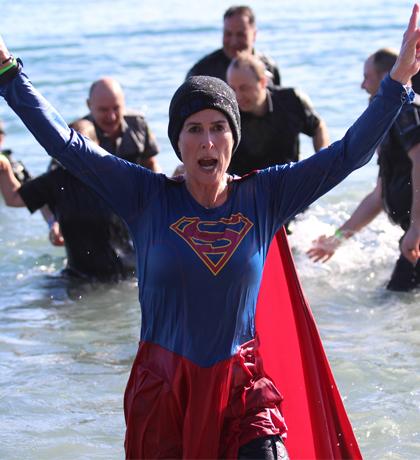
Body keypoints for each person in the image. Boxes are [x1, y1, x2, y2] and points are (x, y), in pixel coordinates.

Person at [0, 5, 419, 457]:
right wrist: (8, 73)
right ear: (177, 141)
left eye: (219, 128)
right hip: (163, 394)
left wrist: (396, 83)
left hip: (243, 390)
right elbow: (67, 144)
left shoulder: (266, 195)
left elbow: (346, 155)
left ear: (233, 138)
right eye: (194, 130)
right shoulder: (146, 197)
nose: (207, 142)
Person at [307, 48, 420, 292]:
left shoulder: (406, 109)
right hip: (412, 234)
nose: (361, 85)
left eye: (366, 77)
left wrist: (416, 228)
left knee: (394, 298)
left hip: (416, 233)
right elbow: (378, 197)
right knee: (394, 299)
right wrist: (336, 239)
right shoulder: (388, 118)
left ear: (384, 78)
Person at [0, 119, 136, 282]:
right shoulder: (55, 180)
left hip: (127, 274)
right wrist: (5, 169)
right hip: (79, 275)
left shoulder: (116, 174)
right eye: (71, 148)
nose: (77, 155)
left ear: (97, 145)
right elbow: (13, 198)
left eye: (83, 146)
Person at [226, 52, 330, 176]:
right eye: (232, 88)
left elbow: (317, 126)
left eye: (244, 88)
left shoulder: (291, 100)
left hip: (288, 180)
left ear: (263, 82)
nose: (237, 96)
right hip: (245, 186)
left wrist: (323, 159)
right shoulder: (228, 114)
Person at [81, 76, 161, 171]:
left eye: (116, 108)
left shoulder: (138, 123)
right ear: (89, 105)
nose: (112, 117)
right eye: (104, 110)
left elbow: (151, 163)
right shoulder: (80, 135)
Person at [186, 5, 281, 85]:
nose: (234, 42)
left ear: (254, 35)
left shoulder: (269, 67)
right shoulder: (202, 71)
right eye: (228, 34)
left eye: (240, 34)